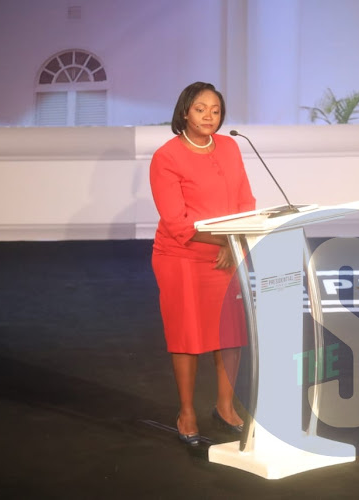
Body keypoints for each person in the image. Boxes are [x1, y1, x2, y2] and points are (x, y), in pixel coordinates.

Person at [149, 82, 255, 446]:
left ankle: (225, 406)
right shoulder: (167, 157)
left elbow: (245, 199)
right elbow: (178, 222)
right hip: (182, 257)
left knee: (230, 334)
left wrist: (234, 239)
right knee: (189, 335)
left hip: (226, 254)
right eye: (200, 109)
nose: (209, 116)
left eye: (215, 109)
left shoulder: (230, 146)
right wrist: (225, 239)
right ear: (184, 113)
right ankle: (186, 411)